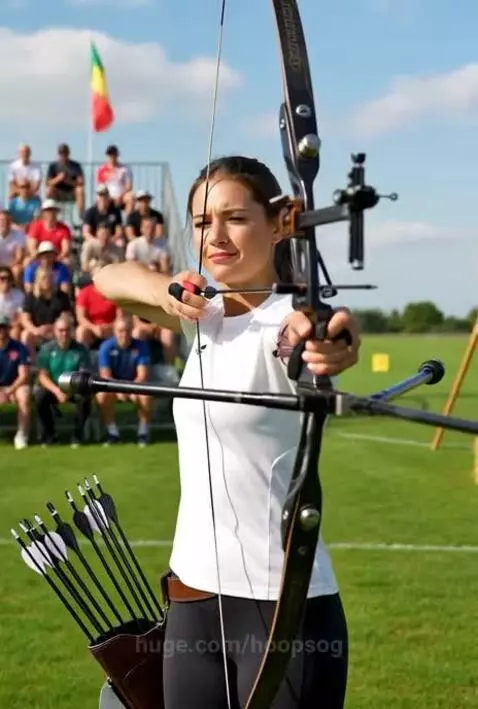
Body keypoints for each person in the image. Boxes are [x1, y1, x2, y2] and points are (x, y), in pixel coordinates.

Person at [94, 155, 361, 709]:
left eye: (234, 218)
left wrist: (329, 338)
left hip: (283, 611)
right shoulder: (204, 315)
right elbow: (107, 278)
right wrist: (166, 291)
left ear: (281, 223)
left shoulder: (289, 317)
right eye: (200, 222)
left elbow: (326, 333)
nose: (214, 236)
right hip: (191, 598)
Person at [35, 313, 91, 447]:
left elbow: (83, 375)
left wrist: (69, 391)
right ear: (55, 331)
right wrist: (57, 391)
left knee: (85, 397)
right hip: (53, 388)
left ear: (72, 331)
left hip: (74, 388)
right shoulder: (46, 349)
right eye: (61, 330)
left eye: (67, 330)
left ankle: (77, 435)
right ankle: (50, 435)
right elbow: (42, 376)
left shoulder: (81, 350)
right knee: (39, 397)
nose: (64, 333)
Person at [96, 314, 152, 446]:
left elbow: (142, 374)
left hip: (135, 386)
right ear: (115, 332)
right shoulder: (106, 347)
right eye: (120, 331)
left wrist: (131, 389)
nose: (124, 334)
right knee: (101, 396)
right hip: (113, 386)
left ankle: (143, 433)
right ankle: (112, 433)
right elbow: (105, 375)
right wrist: (119, 389)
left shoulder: (141, 346)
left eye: (127, 330)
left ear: (132, 331)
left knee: (146, 396)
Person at [21, 267, 72, 353]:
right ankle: (32, 363)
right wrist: (35, 330)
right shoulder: (31, 297)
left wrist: (53, 328)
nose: (47, 280)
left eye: (49, 277)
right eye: (43, 278)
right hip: (37, 332)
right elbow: (25, 319)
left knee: (67, 331)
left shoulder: (62, 296)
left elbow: (66, 317)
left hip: (56, 331)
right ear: (38, 280)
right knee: (25, 335)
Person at [0, 315, 31, 450]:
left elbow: (23, 375)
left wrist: (9, 390)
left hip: (15, 385)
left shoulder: (19, 348)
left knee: (24, 395)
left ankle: (22, 435)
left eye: (2, 328)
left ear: (8, 329)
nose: (0, 331)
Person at [27, 199, 72, 265]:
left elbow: (65, 249)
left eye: (53, 210)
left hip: (57, 258)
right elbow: (32, 248)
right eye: (48, 210)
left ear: (57, 212)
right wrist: (41, 258)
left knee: (67, 262)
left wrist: (57, 258)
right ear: (43, 212)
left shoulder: (64, 228)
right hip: (40, 257)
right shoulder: (35, 226)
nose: (51, 213)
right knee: (27, 262)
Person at [46, 143, 85, 218]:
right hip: (58, 193)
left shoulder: (76, 165)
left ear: (68, 153)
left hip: (72, 192)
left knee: (80, 190)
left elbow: (81, 182)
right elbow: (48, 182)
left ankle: (81, 217)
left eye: (65, 153)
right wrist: (58, 178)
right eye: (61, 153)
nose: (63, 155)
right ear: (58, 154)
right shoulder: (53, 166)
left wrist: (69, 181)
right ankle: (49, 214)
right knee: (49, 190)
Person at [96, 145, 134, 214]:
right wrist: (109, 196)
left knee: (131, 197)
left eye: (114, 154)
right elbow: (101, 186)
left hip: (122, 195)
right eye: (110, 155)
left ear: (117, 155)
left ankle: (128, 222)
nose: (112, 157)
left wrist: (120, 196)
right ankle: (102, 220)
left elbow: (129, 186)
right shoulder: (101, 169)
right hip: (107, 195)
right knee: (101, 198)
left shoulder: (125, 169)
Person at [0, 266, 25, 340]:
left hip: (11, 326)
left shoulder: (19, 295)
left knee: (15, 332)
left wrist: (12, 324)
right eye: (2, 278)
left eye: (8, 278)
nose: (6, 281)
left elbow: (20, 316)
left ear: (12, 280)